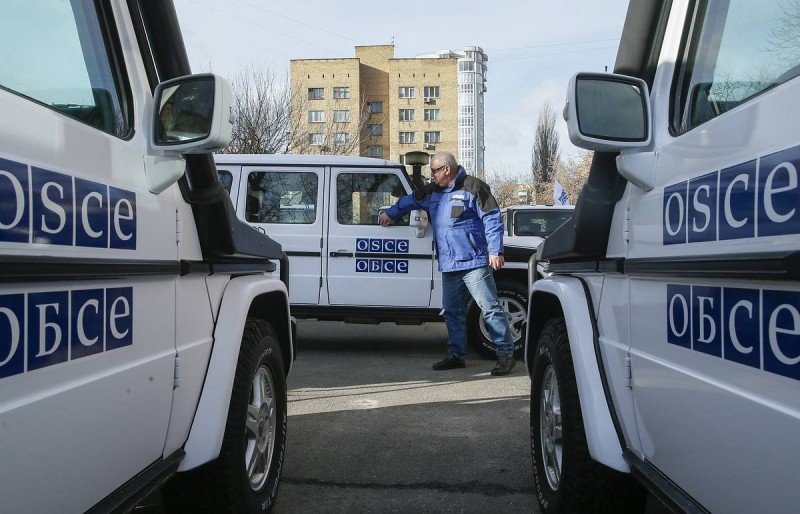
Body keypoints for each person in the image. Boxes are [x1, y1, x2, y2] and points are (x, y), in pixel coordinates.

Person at [379, 152, 515, 376]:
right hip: (449, 264)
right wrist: (391, 213)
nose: (431, 175)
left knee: (489, 309)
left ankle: (505, 355)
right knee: (452, 312)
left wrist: (495, 250)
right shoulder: (433, 191)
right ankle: (456, 356)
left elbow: (492, 218)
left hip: (474, 262)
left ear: (447, 170)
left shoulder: (473, 187)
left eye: (434, 171)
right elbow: (410, 200)